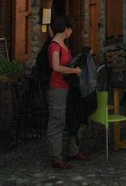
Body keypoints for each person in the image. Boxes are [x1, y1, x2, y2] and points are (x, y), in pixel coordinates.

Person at [46, 15, 88, 169]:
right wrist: (74, 70)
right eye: (70, 29)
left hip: (68, 88)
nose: (71, 32)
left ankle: (72, 151)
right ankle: (56, 156)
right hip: (58, 88)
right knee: (57, 121)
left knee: (72, 118)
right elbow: (56, 67)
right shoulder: (55, 47)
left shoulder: (63, 45)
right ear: (65, 29)